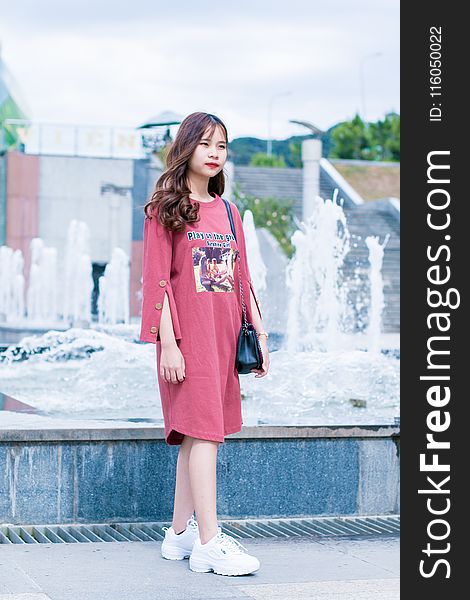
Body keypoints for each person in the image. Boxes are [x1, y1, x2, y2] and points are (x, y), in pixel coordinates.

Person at [139, 112, 270, 577]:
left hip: (222, 340)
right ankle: (210, 542)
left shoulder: (229, 212)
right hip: (186, 340)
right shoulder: (165, 208)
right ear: (187, 148)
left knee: (197, 434)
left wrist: (259, 332)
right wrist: (168, 344)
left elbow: (241, 279)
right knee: (205, 435)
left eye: (222, 146)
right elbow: (158, 282)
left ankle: (178, 536)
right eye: (207, 144)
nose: (215, 154)